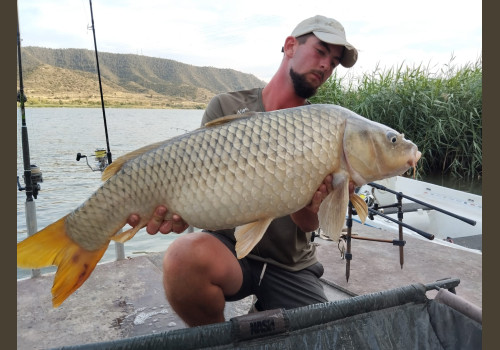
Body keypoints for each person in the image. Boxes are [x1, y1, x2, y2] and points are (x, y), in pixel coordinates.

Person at [127, 15, 358, 327]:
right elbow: (198, 192)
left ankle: (266, 309)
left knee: (324, 336)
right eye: (320, 52)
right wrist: (182, 214)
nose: (325, 66)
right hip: (229, 253)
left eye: (333, 63)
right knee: (182, 257)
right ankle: (217, 340)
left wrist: (311, 204)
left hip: (290, 265)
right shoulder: (225, 107)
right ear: (290, 46)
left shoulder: (323, 132)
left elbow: (308, 223)